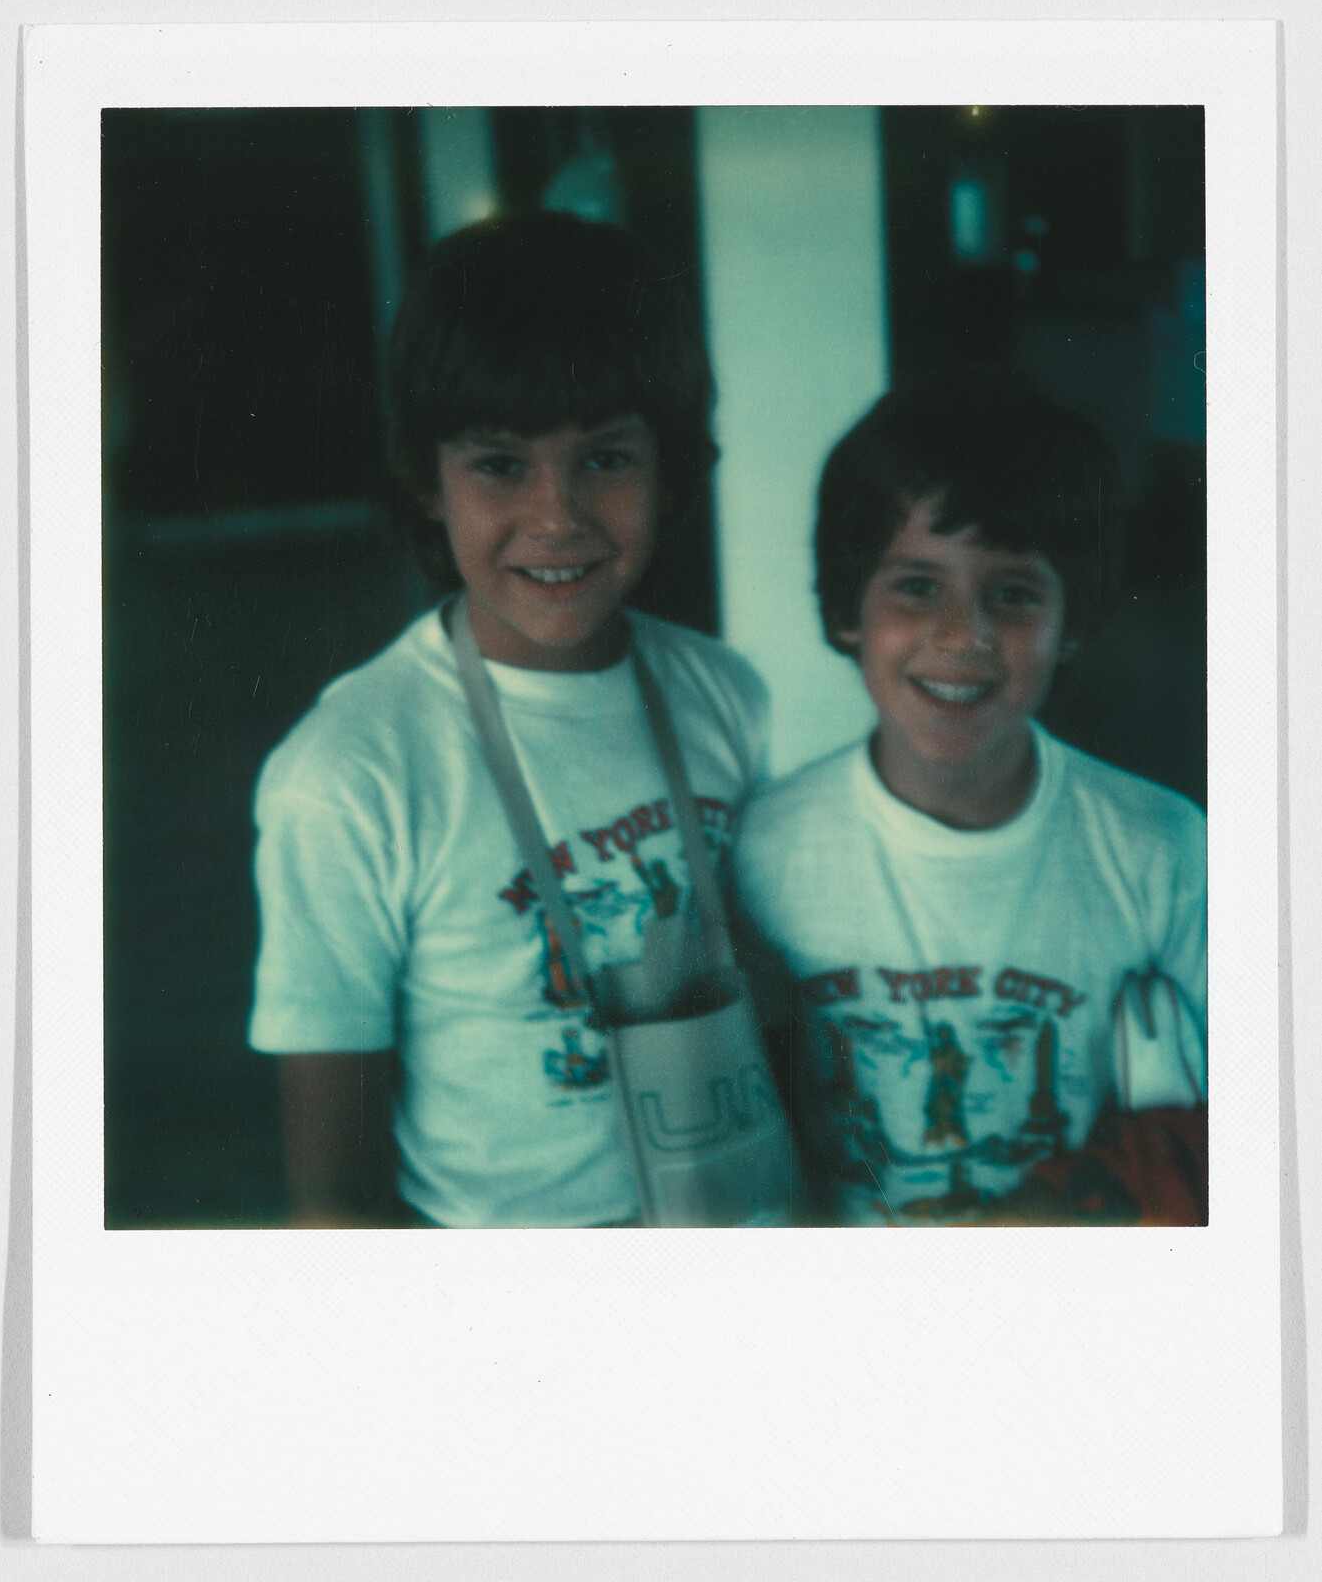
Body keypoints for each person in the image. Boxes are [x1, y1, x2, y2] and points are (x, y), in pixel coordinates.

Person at [248, 212, 769, 1227]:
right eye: (498, 464)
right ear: (425, 481)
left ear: (670, 468)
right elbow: (330, 1194)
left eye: (605, 459)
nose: (557, 515)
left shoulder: (723, 693)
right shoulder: (349, 772)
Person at [732, 368, 1207, 1226]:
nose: (964, 635)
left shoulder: (1161, 847)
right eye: (917, 586)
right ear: (849, 611)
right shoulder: (765, 849)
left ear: (1074, 625)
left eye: (1013, 594)